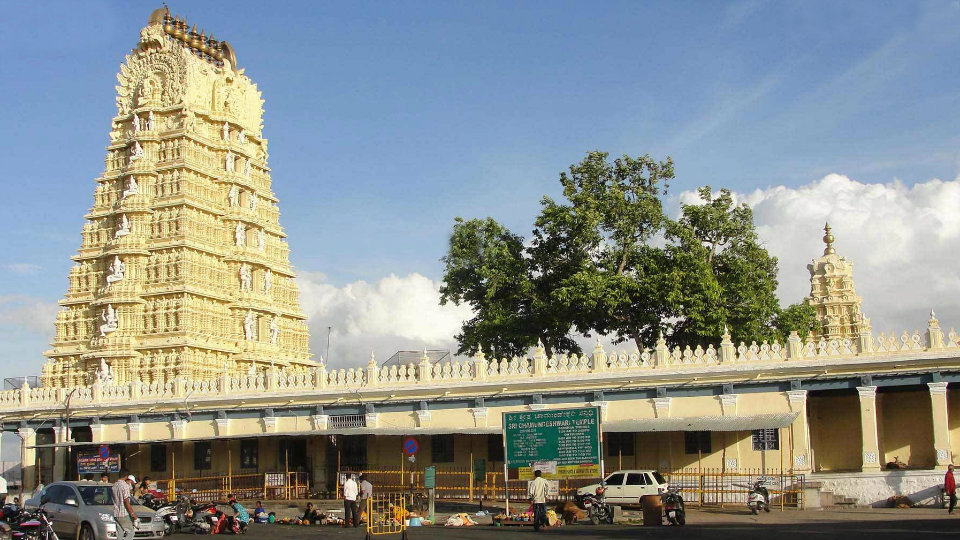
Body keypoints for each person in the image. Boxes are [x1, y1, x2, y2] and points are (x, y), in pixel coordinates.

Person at [112, 473, 139, 540]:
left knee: (120, 534)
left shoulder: (114, 485)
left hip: (116, 513)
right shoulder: (125, 486)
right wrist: (133, 515)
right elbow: (126, 502)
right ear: (126, 477)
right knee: (131, 533)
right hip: (124, 514)